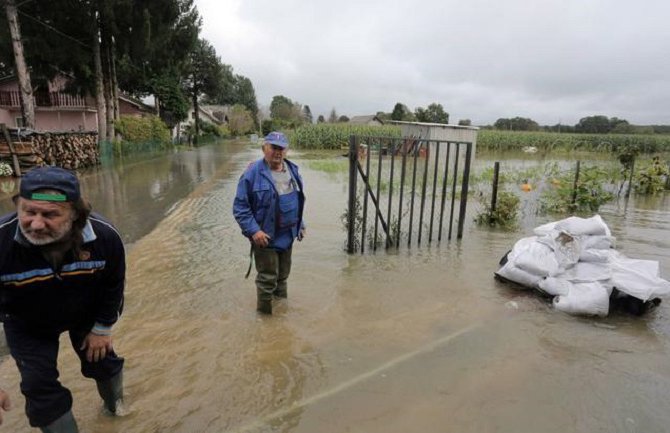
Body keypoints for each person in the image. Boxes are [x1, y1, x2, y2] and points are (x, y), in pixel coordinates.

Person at [0, 166, 126, 433]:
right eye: (28, 211)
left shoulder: (104, 238)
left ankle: (116, 411)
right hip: (26, 320)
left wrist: (102, 328)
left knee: (102, 361)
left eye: (50, 214)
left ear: (76, 214)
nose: (35, 223)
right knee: (38, 386)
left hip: (85, 311)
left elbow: (113, 285)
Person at [233, 132, 306, 315]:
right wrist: (254, 231)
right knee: (267, 280)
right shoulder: (251, 173)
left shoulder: (293, 170)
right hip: (265, 237)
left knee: (282, 278)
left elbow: (297, 201)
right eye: (273, 147)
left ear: (286, 150)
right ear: (264, 148)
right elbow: (240, 208)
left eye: (281, 148)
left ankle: (281, 314)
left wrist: (300, 224)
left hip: (287, 236)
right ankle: (265, 320)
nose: (277, 152)